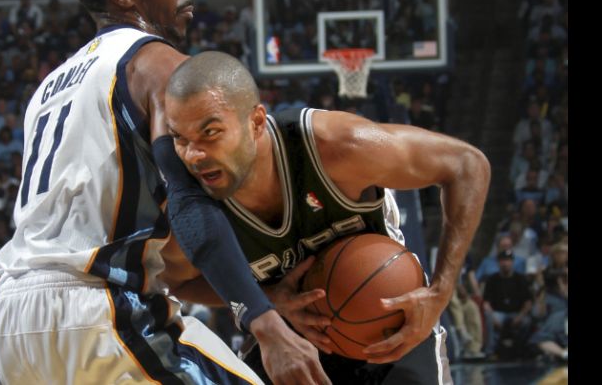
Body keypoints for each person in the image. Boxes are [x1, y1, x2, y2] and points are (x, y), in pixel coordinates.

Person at [0, 0, 329, 385]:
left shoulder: (50, 87)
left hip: (13, 322)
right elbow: (189, 203)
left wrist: (259, 294)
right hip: (96, 310)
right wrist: (265, 323)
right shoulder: (157, 64)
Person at [160, 51, 491, 384]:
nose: (194, 155)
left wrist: (441, 291)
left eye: (211, 133)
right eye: (180, 139)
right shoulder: (191, 212)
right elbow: (181, 283)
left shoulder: (336, 146)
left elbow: (467, 165)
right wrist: (269, 297)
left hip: (387, 323)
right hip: (291, 335)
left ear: (257, 122)